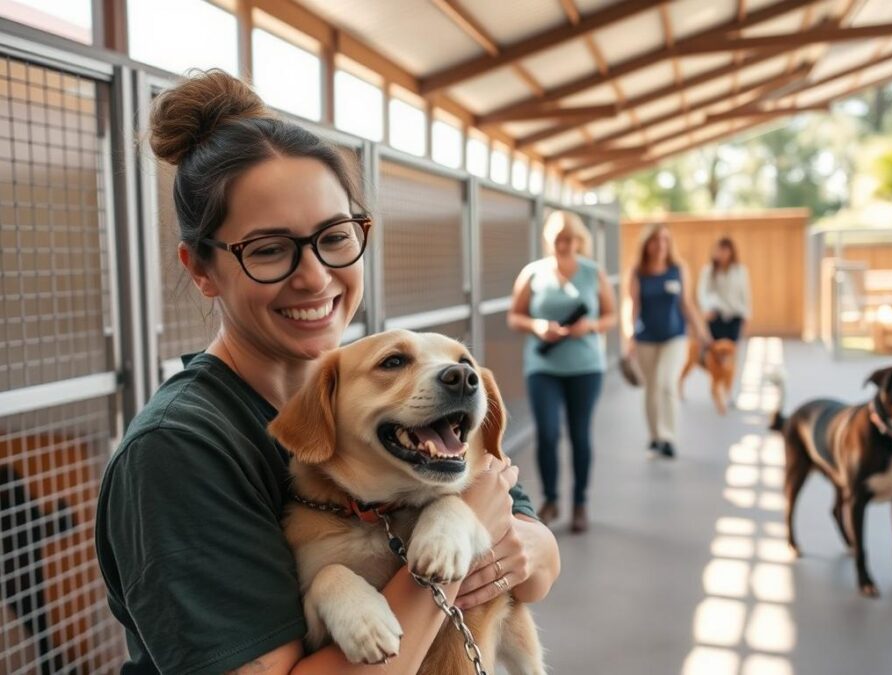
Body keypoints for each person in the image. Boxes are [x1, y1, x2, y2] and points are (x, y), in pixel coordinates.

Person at [94, 70, 559, 675]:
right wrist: (454, 548)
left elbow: (538, 568)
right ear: (201, 269)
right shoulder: (178, 450)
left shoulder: (392, 396)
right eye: (268, 249)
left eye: (334, 237)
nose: (314, 277)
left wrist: (505, 536)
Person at [507, 211, 616, 534]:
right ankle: (551, 499)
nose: (565, 245)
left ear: (579, 240)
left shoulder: (593, 273)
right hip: (543, 367)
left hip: (586, 367)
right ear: (548, 240)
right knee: (548, 433)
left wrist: (590, 326)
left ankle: (580, 502)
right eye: (558, 239)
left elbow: (610, 315)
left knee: (580, 434)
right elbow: (514, 316)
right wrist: (537, 326)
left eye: (570, 239)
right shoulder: (533, 273)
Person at [625, 224, 710, 459]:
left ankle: (669, 437)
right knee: (651, 388)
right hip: (645, 338)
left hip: (674, 337)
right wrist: (630, 335)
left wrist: (701, 332)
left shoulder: (678, 269)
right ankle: (654, 438)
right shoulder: (637, 272)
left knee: (667, 383)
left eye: (664, 240)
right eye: (655, 240)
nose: (660, 245)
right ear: (647, 244)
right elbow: (632, 306)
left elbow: (686, 303)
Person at [697, 236, 751, 345]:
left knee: (732, 348)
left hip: (735, 314)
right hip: (716, 314)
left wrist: (746, 314)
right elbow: (702, 292)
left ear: (731, 252)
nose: (722, 253)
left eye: (725, 250)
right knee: (715, 348)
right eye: (720, 250)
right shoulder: (708, 271)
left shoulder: (740, 271)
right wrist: (706, 308)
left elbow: (745, 293)